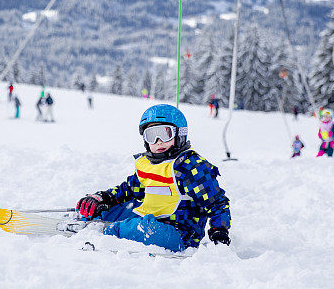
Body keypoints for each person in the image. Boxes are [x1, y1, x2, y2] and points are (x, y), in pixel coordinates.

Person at [75, 104, 231, 252]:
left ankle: (101, 233)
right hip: (149, 219)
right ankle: (90, 220)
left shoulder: (190, 167)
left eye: (165, 134)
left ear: (180, 134)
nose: (158, 142)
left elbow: (217, 203)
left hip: (178, 234)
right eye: (151, 136)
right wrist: (104, 198)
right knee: (115, 208)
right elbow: (129, 190)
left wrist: (219, 230)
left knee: (140, 227)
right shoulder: (148, 164)